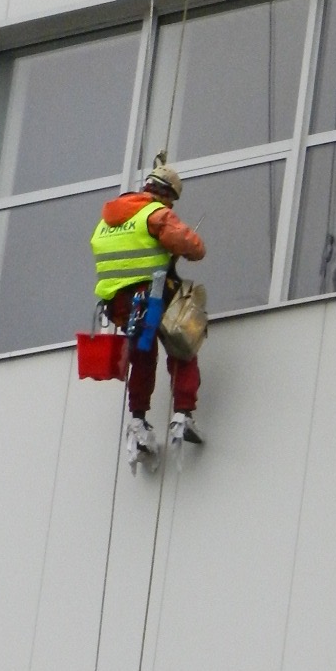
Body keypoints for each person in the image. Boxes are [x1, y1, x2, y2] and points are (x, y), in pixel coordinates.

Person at [92, 157, 206, 468]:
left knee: (142, 359)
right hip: (153, 298)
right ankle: (183, 414)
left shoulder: (107, 222)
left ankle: (138, 421)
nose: (171, 206)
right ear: (166, 193)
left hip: (121, 307)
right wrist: (186, 248)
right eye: (172, 200)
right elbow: (192, 246)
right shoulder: (155, 214)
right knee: (182, 345)